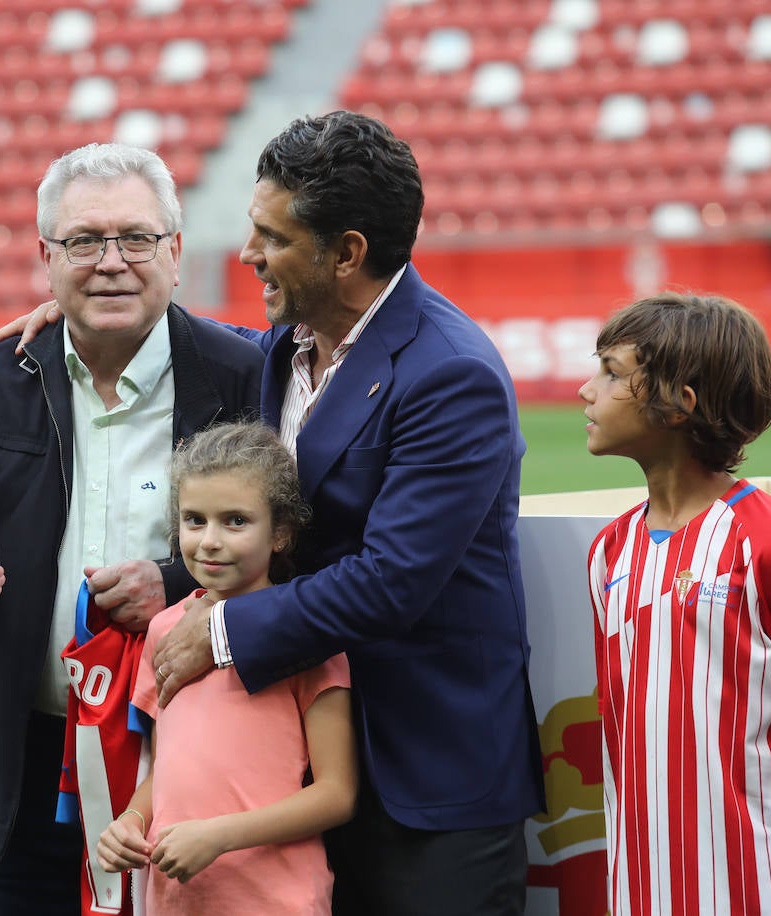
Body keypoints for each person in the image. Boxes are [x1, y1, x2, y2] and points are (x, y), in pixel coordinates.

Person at [137, 111, 546, 914]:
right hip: (301, 778)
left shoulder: (450, 374)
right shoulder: (284, 346)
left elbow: (392, 582)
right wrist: (75, 320)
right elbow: (197, 339)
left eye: (271, 236)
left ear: (347, 252)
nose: (249, 253)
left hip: (425, 782)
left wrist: (217, 634)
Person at [0, 142, 264, 914]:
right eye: (84, 242)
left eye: (137, 239)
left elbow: (292, 538)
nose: (111, 261)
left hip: (189, 752)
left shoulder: (242, 373)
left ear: (176, 252)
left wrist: (178, 581)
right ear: (47, 257)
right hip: (23, 765)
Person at [581, 293, 771, 916]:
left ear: (678, 404)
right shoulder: (610, 552)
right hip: (640, 884)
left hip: (761, 885)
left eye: (612, 372)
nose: (587, 390)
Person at [96, 421, 357, 913]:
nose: (209, 541)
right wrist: (131, 819)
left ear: (280, 532)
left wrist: (219, 836)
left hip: (275, 900)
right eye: (195, 520)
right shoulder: (164, 630)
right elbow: (167, 767)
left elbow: (336, 794)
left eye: (235, 521)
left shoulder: (308, 639)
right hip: (177, 899)